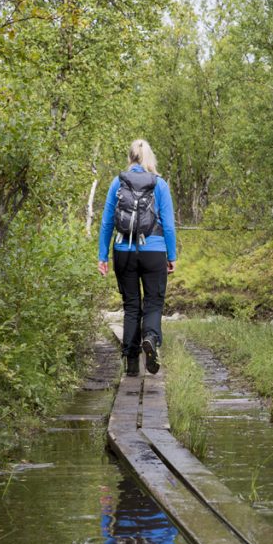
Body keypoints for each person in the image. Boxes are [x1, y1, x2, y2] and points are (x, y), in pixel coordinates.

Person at [97, 139, 176, 376]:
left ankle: (131, 361)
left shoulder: (117, 183)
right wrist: (171, 256)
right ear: (150, 158)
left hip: (123, 251)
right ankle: (150, 338)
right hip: (154, 251)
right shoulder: (159, 184)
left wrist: (103, 256)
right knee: (153, 301)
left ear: (130, 158)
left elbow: (107, 222)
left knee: (131, 306)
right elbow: (169, 226)